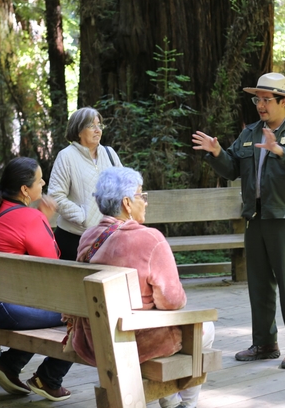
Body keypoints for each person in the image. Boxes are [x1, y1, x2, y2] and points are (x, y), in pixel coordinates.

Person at [192, 72, 285, 370]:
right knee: (259, 285)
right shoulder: (250, 132)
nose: (260, 105)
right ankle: (264, 343)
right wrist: (216, 153)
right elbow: (232, 168)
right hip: (256, 217)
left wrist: (280, 151)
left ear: (283, 101)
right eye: (257, 99)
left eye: (266, 100)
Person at [74, 167, 215, 408]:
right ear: (127, 203)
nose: (146, 202)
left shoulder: (89, 236)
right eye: (142, 195)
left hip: (94, 338)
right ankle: (184, 404)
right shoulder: (150, 238)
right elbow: (172, 300)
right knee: (206, 328)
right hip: (139, 341)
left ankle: (171, 401)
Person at [0, 157, 73, 402]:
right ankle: (49, 377)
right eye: (39, 179)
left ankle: (9, 365)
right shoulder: (31, 218)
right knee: (80, 316)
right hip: (1, 307)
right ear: (25, 189)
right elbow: (52, 266)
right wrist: (43, 218)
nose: (44, 182)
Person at [48, 107, 122, 260]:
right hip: (74, 238)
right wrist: (83, 216)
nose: (97, 130)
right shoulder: (66, 156)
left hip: (108, 236)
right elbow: (55, 196)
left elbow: (124, 187)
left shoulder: (110, 154)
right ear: (78, 131)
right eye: (91, 126)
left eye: (99, 125)